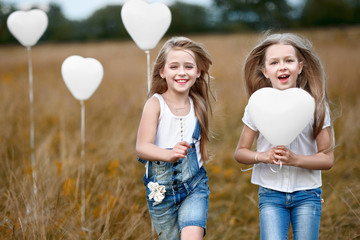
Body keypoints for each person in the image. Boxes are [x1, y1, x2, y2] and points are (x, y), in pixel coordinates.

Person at [234, 33, 335, 240]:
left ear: (300, 66)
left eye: (289, 60)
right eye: (274, 62)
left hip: (307, 194)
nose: (282, 66)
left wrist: (295, 160)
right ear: (265, 71)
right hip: (270, 194)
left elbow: (327, 158)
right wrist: (263, 156)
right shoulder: (257, 105)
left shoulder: (316, 106)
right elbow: (240, 153)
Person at [136, 36, 214, 240]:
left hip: (194, 186)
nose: (181, 72)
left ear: (198, 72)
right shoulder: (155, 104)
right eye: (174, 66)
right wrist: (168, 154)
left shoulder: (198, 105)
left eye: (188, 66)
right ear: (162, 71)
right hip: (161, 192)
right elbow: (142, 147)